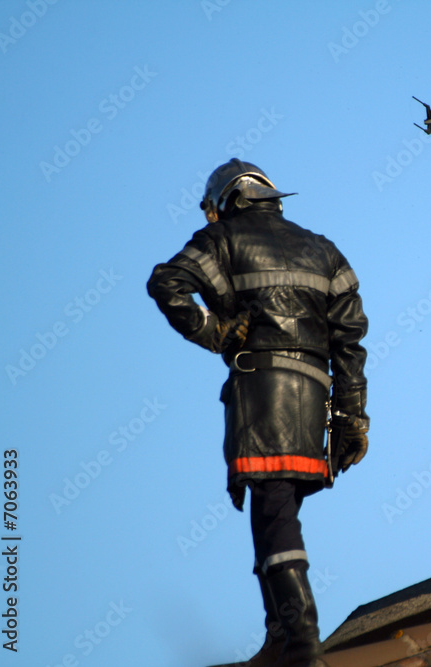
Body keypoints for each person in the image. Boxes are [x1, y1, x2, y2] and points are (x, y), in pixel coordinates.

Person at [147, 159, 369, 667]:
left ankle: (302, 642)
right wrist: (354, 417)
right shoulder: (324, 248)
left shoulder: (222, 239)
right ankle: (281, 639)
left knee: (272, 512)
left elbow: (165, 283)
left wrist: (214, 333)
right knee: (277, 510)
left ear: (227, 202)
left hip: (261, 391)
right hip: (314, 395)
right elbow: (350, 341)